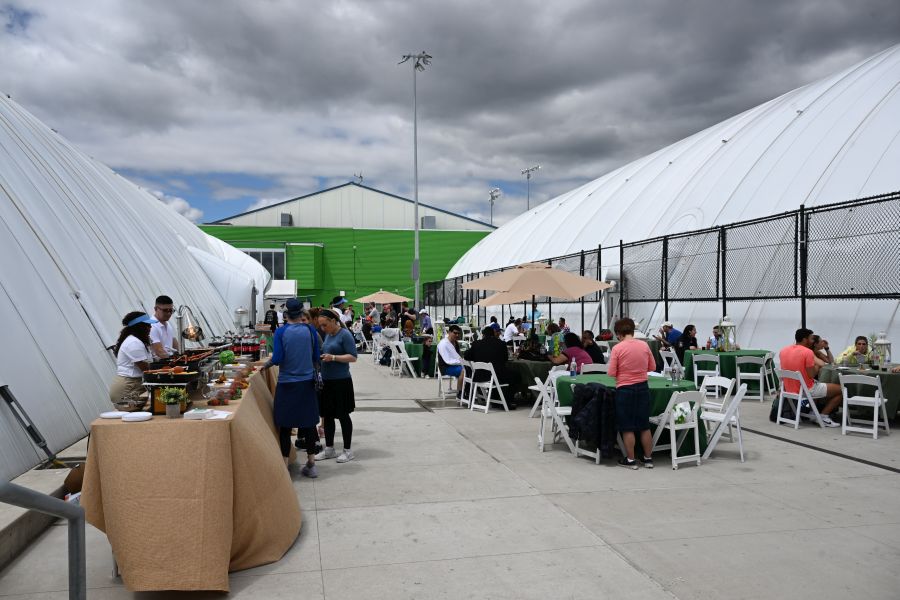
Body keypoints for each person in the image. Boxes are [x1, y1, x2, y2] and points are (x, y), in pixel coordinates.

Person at [261, 298, 321, 475]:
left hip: (287, 383)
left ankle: (285, 466)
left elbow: (278, 358)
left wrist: (263, 366)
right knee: (309, 423)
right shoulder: (310, 330)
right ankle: (311, 464)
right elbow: (316, 356)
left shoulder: (281, 332)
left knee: (285, 425)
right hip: (307, 382)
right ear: (302, 313)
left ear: (286, 314)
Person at [607, 318, 657, 469]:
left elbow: (611, 372)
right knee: (644, 425)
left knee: (627, 426)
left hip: (625, 389)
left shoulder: (617, 348)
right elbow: (653, 367)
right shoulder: (644, 345)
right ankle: (648, 458)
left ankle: (630, 460)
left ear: (618, 333)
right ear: (632, 331)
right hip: (642, 387)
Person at [315, 308, 358, 463]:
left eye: (325, 325)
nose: (323, 328)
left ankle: (347, 450)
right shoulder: (328, 335)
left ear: (334, 321)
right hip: (327, 381)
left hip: (341, 381)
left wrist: (333, 357)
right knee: (327, 416)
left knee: (343, 415)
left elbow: (353, 357)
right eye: (320, 325)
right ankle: (329, 448)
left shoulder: (344, 335)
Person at [779, 328, 842, 427]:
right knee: (841, 389)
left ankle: (813, 412)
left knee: (818, 383)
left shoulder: (783, 350)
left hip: (788, 389)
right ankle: (823, 416)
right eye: (811, 338)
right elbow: (812, 374)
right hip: (806, 389)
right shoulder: (807, 352)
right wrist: (816, 366)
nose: (813, 341)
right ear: (805, 339)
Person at [109, 312, 156, 405]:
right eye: (148, 325)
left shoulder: (136, 340)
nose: (150, 327)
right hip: (127, 388)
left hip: (133, 385)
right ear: (139, 327)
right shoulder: (133, 343)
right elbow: (146, 369)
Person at [465, 326, 519, 408]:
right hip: (496, 376)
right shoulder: (501, 344)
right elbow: (505, 359)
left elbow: (467, 356)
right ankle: (507, 400)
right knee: (516, 376)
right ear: (493, 334)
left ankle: (495, 397)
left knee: (504, 374)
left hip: (480, 376)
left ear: (483, 335)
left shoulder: (476, 344)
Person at [437, 325, 465, 396]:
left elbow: (458, 356)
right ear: (449, 332)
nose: (457, 335)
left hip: (455, 365)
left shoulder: (456, 343)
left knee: (470, 369)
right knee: (464, 370)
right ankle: (460, 393)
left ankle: (468, 391)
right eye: (455, 333)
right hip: (445, 367)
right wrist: (462, 362)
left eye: (458, 333)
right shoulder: (443, 344)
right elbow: (448, 360)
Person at [150, 295, 178, 359]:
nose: (169, 313)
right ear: (156, 309)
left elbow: (176, 345)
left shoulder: (168, 324)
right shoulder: (151, 326)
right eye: (165, 310)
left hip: (169, 360)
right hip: (160, 362)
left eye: (171, 310)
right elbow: (160, 352)